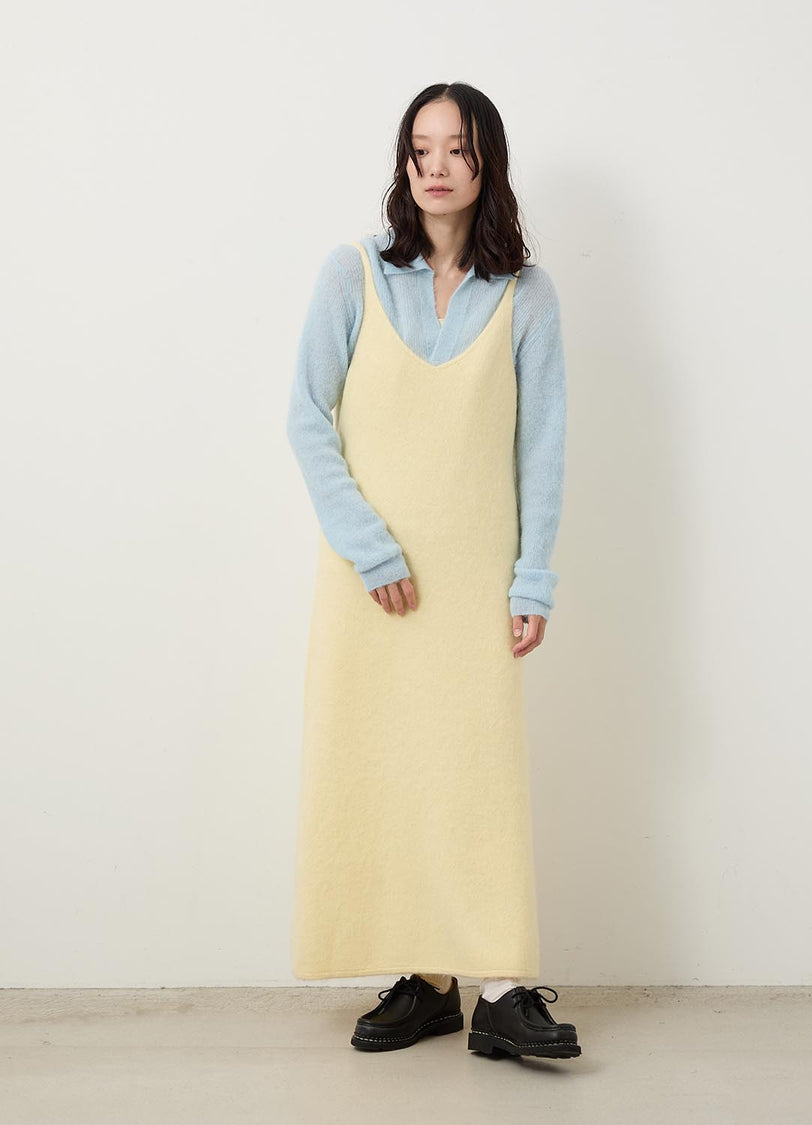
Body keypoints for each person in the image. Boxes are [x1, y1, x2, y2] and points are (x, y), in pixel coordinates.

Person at [286, 82, 579, 1060]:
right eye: (421, 148)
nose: (437, 166)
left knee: (476, 771)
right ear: (404, 164)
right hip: (370, 582)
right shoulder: (353, 273)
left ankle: (502, 987)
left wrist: (533, 578)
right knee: (382, 766)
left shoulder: (527, 295)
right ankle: (426, 979)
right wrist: (368, 546)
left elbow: (541, 448)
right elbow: (306, 418)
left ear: (487, 162)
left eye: (457, 147)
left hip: (475, 581)